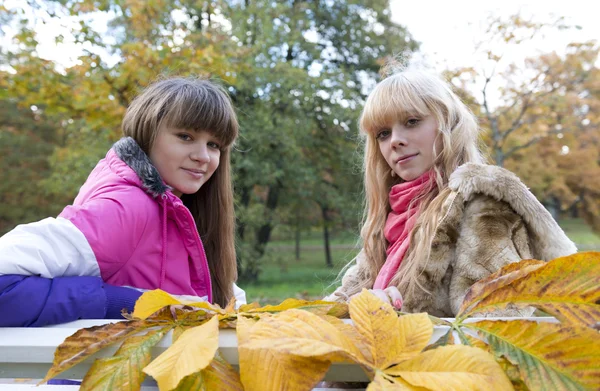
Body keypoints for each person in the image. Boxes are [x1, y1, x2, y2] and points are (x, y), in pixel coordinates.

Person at [325, 67, 577, 317]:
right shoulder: (389, 222)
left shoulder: (479, 203)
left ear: (448, 122)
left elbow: (495, 326)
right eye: (383, 133)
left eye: (412, 121)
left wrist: (391, 315)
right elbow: (334, 310)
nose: (395, 140)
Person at [0, 77, 246, 327]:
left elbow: (213, 300)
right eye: (185, 136)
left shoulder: (179, 213)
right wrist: (124, 302)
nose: (203, 156)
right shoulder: (128, 208)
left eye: (214, 145)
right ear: (147, 135)